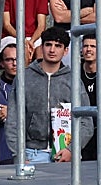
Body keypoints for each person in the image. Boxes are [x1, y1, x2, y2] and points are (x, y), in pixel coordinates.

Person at [6, 26, 93, 164]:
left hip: (66, 154)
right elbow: (13, 119)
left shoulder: (74, 80)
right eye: (48, 45)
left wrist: (71, 149)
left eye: (58, 46)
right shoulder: (24, 77)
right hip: (31, 153)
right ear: (41, 47)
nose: (52, 50)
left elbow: (86, 121)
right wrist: (19, 154)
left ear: (66, 51)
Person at [0, 38, 17, 164]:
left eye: (18, 59)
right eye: (9, 60)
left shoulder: (32, 85)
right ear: (1, 63)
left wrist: (11, 112)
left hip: (31, 153)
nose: (14, 63)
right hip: (5, 153)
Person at [81, 36, 97, 161]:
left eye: (93, 46)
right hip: (81, 131)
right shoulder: (74, 73)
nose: (88, 50)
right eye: (86, 46)